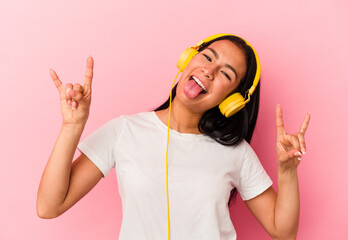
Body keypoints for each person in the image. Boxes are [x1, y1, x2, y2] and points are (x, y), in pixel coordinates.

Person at [37, 34, 310, 240]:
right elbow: (49, 206)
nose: (209, 71)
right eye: (207, 57)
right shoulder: (124, 131)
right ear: (187, 58)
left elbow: (283, 232)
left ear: (233, 101)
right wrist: (73, 126)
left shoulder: (236, 153)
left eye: (226, 73)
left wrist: (286, 171)